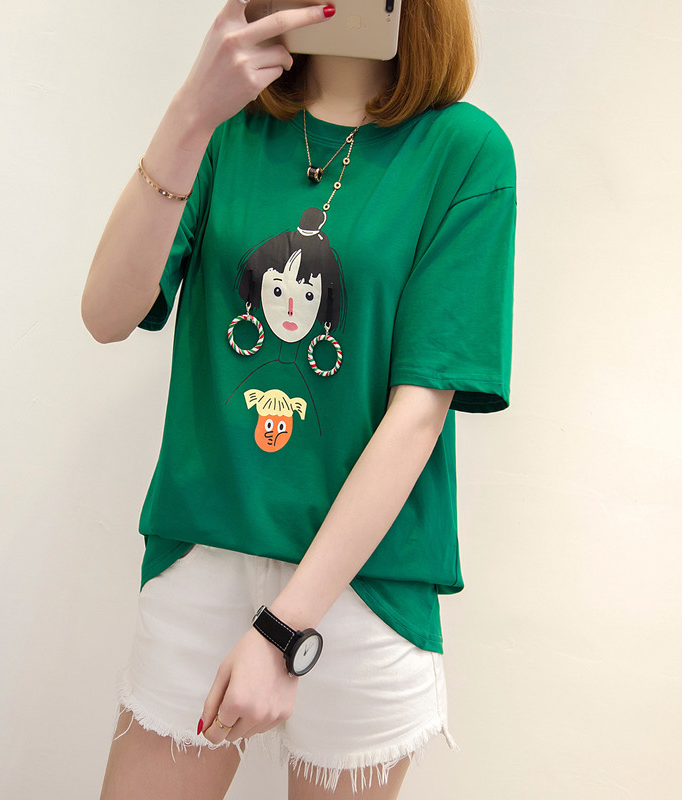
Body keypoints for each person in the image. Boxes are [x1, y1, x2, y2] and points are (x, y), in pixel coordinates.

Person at [82, 0, 516, 797]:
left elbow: (418, 414)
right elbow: (106, 313)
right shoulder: (230, 128)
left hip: (361, 584)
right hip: (204, 555)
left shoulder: (464, 152)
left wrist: (284, 628)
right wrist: (190, 112)